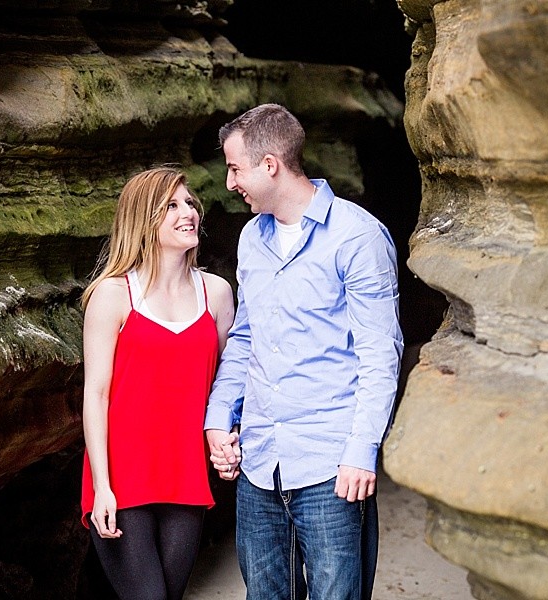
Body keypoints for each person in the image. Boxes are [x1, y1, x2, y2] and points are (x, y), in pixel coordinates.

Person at [204, 104, 404, 600]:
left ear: (270, 164)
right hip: (260, 464)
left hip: (331, 465)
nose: (230, 183)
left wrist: (362, 452)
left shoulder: (357, 237)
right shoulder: (252, 238)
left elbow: (381, 354)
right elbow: (246, 337)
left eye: (235, 168)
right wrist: (217, 417)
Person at [80, 166, 235, 600]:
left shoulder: (216, 294)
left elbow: (227, 383)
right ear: (143, 218)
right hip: (121, 480)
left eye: (189, 203)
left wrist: (227, 435)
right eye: (171, 205)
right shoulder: (112, 294)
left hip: (186, 476)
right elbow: (95, 395)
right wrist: (102, 488)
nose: (187, 212)